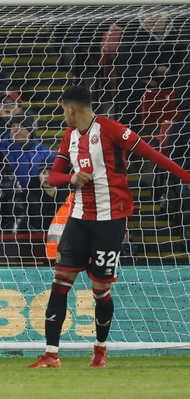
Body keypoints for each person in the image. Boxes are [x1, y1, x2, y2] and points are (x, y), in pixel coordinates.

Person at [28, 86, 190, 369]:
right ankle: (51, 354)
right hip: (78, 219)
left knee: (100, 288)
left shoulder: (112, 129)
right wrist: (71, 177)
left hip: (111, 220)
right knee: (60, 281)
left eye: (62, 109)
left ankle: (100, 351)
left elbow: (153, 155)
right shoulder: (69, 137)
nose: (62, 114)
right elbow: (53, 177)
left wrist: (187, 177)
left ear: (69, 109)